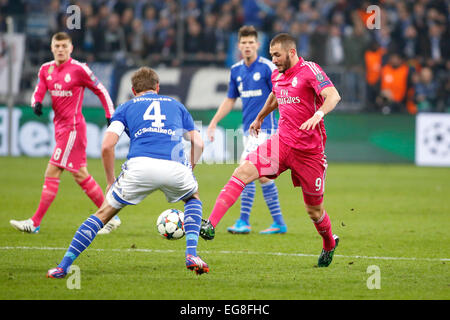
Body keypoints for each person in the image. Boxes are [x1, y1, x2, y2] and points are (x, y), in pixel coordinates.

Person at [46, 67, 209, 278]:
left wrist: (110, 181)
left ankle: (63, 266)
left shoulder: (125, 108)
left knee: (103, 214)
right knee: (193, 198)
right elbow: (198, 143)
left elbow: (107, 146)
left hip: (139, 167)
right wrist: (189, 170)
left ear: (133, 90)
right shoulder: (176, 105)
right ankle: (191, 254)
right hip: (175, 166)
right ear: (157, 88)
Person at [200, 33, 342, 267]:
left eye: (277, 55)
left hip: (310, 153)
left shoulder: (310, 70)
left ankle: (328, 242)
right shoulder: (277, 75)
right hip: (282, 143)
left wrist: (318, 114)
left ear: (292, 52)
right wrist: (259, 118)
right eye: (271, 55)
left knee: (314, 211)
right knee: (243, 171)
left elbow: (333, 96)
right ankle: (211, 224)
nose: (274, 60)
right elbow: (275, 96)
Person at [9, 32, 120, 235]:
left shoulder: (79, 69)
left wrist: (109, 114)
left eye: (64, 46)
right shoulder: (46, 69)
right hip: (60, 128)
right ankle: (111, 216)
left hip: (73, 128)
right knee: (80, 174)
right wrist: (36, 103)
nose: (60, 49)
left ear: (71, 48)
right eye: (57, 46)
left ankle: (35, 222)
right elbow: (39, 89)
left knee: (52, 170)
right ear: (52, 47)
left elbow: (101, 90)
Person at [207, 25, 287, 235]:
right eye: (244, 43)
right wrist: (214, 121)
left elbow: (279, 95)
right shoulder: (236, 70)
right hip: (248, 131)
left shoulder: (268, 68)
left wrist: (265, 118)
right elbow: (230, 99)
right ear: (239, 45)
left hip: (266, 130)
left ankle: (243, 221)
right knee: (263, 177)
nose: (248, 46)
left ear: (258, 45)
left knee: (245, 169)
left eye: (251, 42)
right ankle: (279, 222)